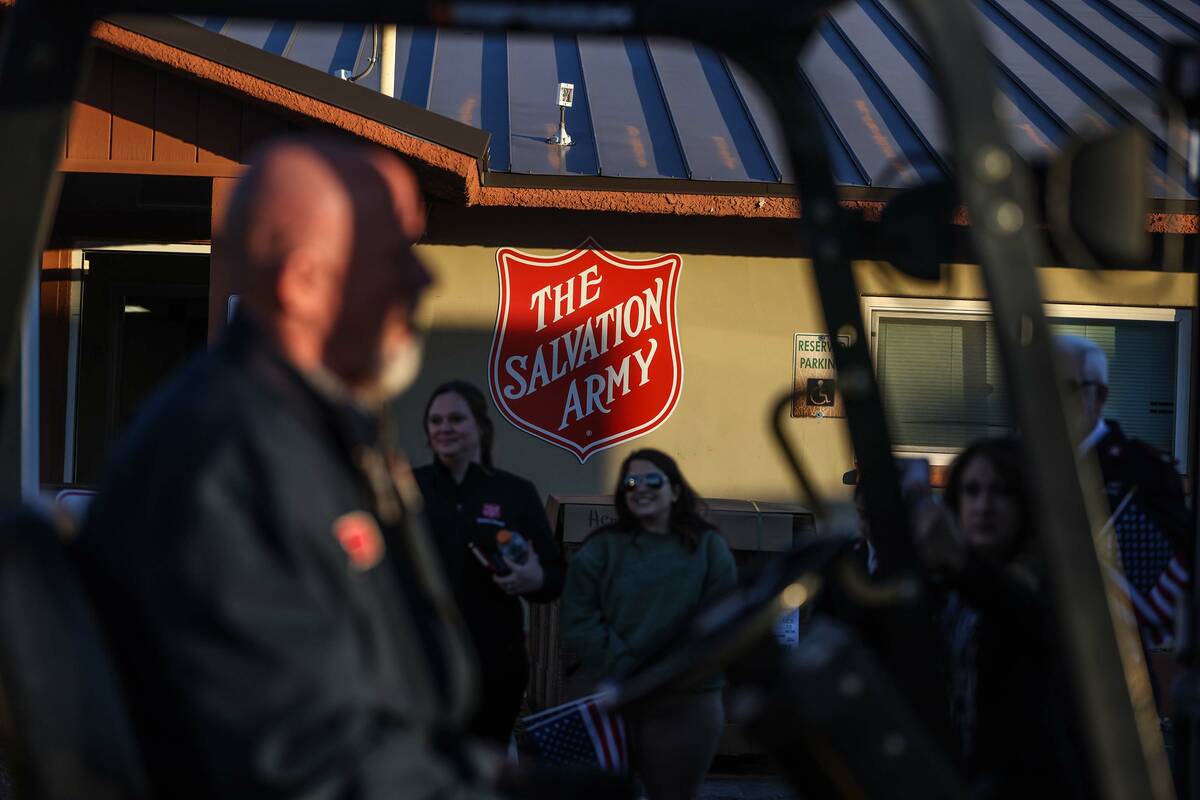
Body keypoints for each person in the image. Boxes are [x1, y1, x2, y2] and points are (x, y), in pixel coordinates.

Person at [74, 137, 507, 799]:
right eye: (395, 256)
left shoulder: (309, 432)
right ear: (304, 284)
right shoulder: (219, 460)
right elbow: (304, 762)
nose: (425, 281)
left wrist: (495, 775)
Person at [912, 438, 1087, 798]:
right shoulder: (945, 588)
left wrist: (957, 560)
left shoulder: (1053, 582)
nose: (984, 506)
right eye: (972, 491)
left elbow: (1017, 609)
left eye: (1001, 492)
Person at [560, 449, 736, 800]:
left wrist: (669, 672)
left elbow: (723, 617)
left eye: (653, 480)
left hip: (687, 700)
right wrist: (627, 668)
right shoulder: (600, 548)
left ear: (675, 490)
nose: (640, 488)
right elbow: (578, 617)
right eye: (630, 482)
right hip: (613, 695)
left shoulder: (708, 547)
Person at [413, 380, 565, 745]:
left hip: (496, 663)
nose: (444, 428)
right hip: (425, 661)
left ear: (480, 426)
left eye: (456, 419)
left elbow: (555, 577)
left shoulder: (515, 493)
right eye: (435, 421)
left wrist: (534, 579)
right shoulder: (407, 488)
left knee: (487, 763)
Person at [1055, 334, 1192, 648]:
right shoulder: (1014, 464)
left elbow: (1175, 584)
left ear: (1100, 396)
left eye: (1068, 389)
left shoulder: (1143, 472)